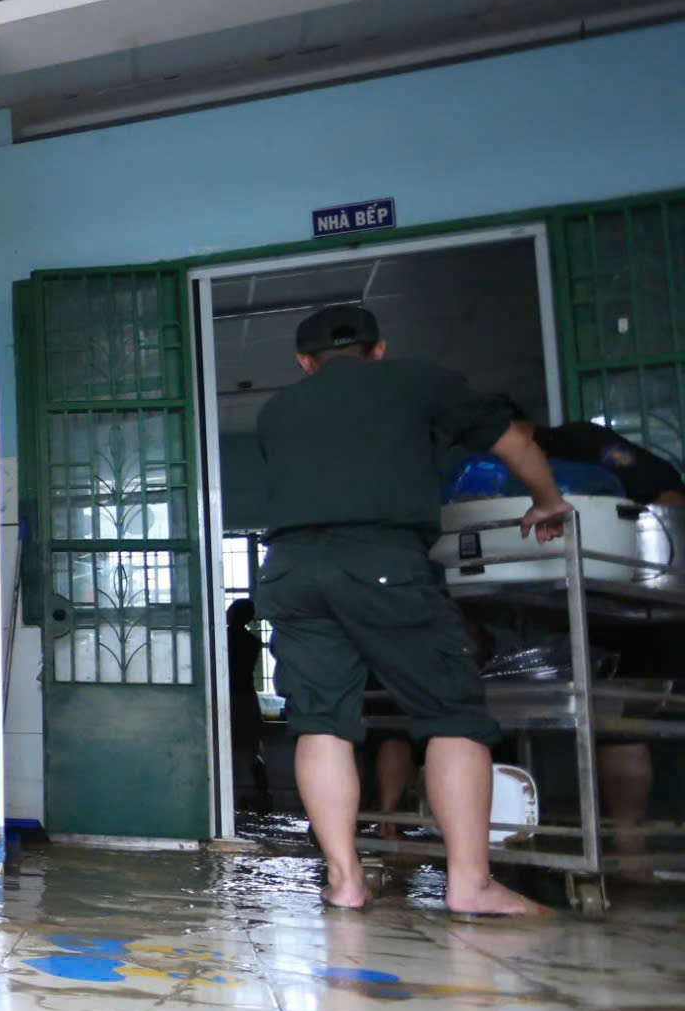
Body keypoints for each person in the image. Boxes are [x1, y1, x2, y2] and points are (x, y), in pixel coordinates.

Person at [253, 303, 568, 916]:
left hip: (290, 569)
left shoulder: (276, 409)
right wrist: (546, 501)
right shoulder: (420, 380)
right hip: (381, 560)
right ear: (378, 348)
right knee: (451, 712)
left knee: (320, 720)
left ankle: (344, 881)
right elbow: (517, 440)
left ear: (303, 362)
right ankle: (471, 883)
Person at [536, 420, 685, 872]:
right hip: (610, 603)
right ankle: (629, 843)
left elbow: (667, 497)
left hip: (640, 596)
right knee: (621, 719)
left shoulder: (575, 444)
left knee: (624, 717)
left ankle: (629, 842)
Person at [224, 597, 271, 812]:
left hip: (227, 696)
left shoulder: (221, 640)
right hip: (247, 697)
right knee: (252, 751)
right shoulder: (252, 642)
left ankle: (224, 799)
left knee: (222, 748)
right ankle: (264, 796)